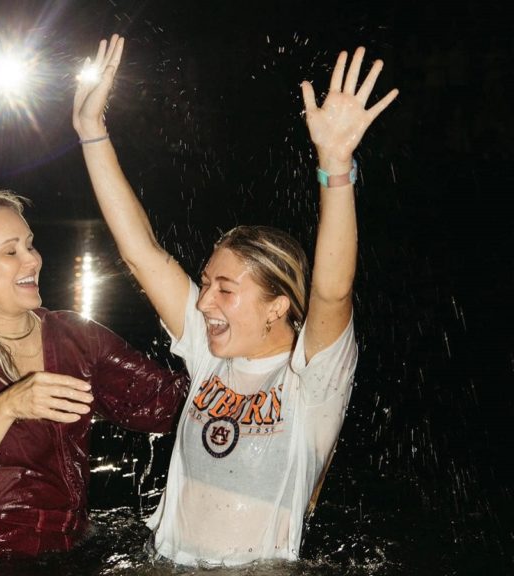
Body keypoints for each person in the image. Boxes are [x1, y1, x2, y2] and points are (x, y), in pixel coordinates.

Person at [73, 36, 398, 564]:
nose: (204, 304)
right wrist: (91, 133)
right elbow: (143, 254)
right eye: (205, 284)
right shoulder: (209, 353)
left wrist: (335, 166)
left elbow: (332, 289)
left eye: (225, 289)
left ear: (278, 305)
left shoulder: (311, 381)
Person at [0, 187, 188, 564]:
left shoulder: (76, 338)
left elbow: (169, 405)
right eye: (10, 251)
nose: (32, 260)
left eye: (30, 245)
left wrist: (251, 363)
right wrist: (8, 405)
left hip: (72, 550)